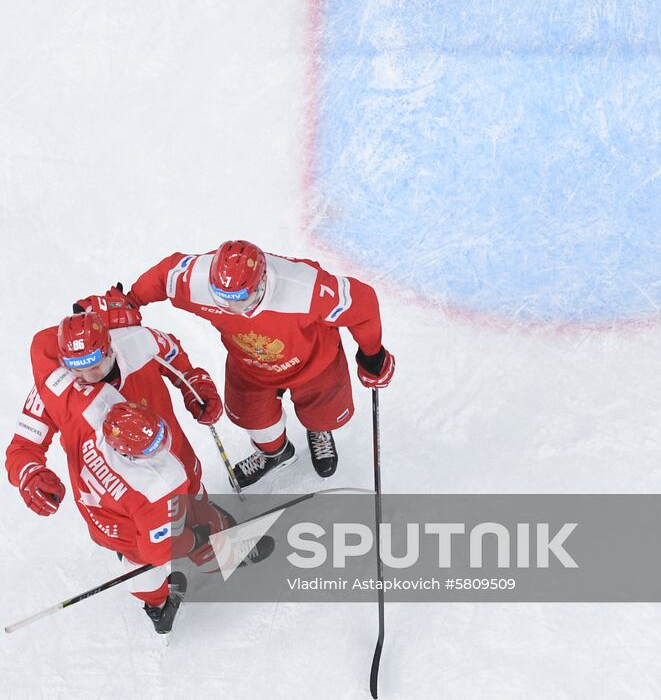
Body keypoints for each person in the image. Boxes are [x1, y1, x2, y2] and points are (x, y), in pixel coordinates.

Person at [4, 307, 240, 633]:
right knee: (144, 561)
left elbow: (170, 350)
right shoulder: (56, 390)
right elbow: (21, 449)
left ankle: (213, 550)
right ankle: (158, 603)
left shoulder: (135, 342)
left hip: (171, 456)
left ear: (109, 347)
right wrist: (30, 475)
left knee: (194, 507)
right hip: (117, 502)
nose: (87, 376)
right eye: (76, 368)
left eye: (96, 364)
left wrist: (192, 381)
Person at [127, 241, 395, 485]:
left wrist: (372, 355)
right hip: (250, 368)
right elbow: (164, 276)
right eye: (224, 301)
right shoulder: (196, 279)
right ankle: (275, 454)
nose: (234, 309)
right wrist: (128, 302)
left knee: (322, 413)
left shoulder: (305, 288)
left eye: (243, 300)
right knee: (256, 420)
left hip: (314, 363)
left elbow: (363, 305)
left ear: (262, 282)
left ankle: (319, 431)